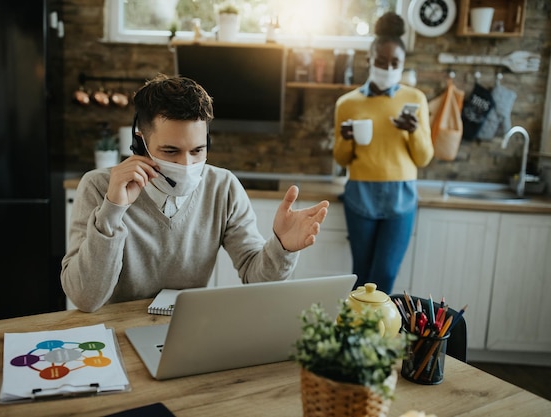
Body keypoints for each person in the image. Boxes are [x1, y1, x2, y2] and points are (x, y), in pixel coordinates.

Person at [62, 74, 329, 312]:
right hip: (114, 334)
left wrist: (282, 247)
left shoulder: (223, 187)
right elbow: (85, 299)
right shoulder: (97, 187)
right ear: (140, 141)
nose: (187, 165)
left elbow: (254, 275)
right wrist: (112, 210)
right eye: (170, 151)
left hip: (187, 330)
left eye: (197, 150)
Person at [332, 12, 433, 294]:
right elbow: (341, 158)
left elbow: (424, 158)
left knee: (385, 274)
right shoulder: (347, 103)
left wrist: (413, 130)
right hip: (360, 193)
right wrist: (347, 139)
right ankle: (358, 336)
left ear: (402, 65)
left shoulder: (415, 99)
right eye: (381, 61)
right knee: (361, 274)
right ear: (369, 60)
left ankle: (378, 336)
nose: (388, 68)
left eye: (395, 63)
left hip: (401, 196)